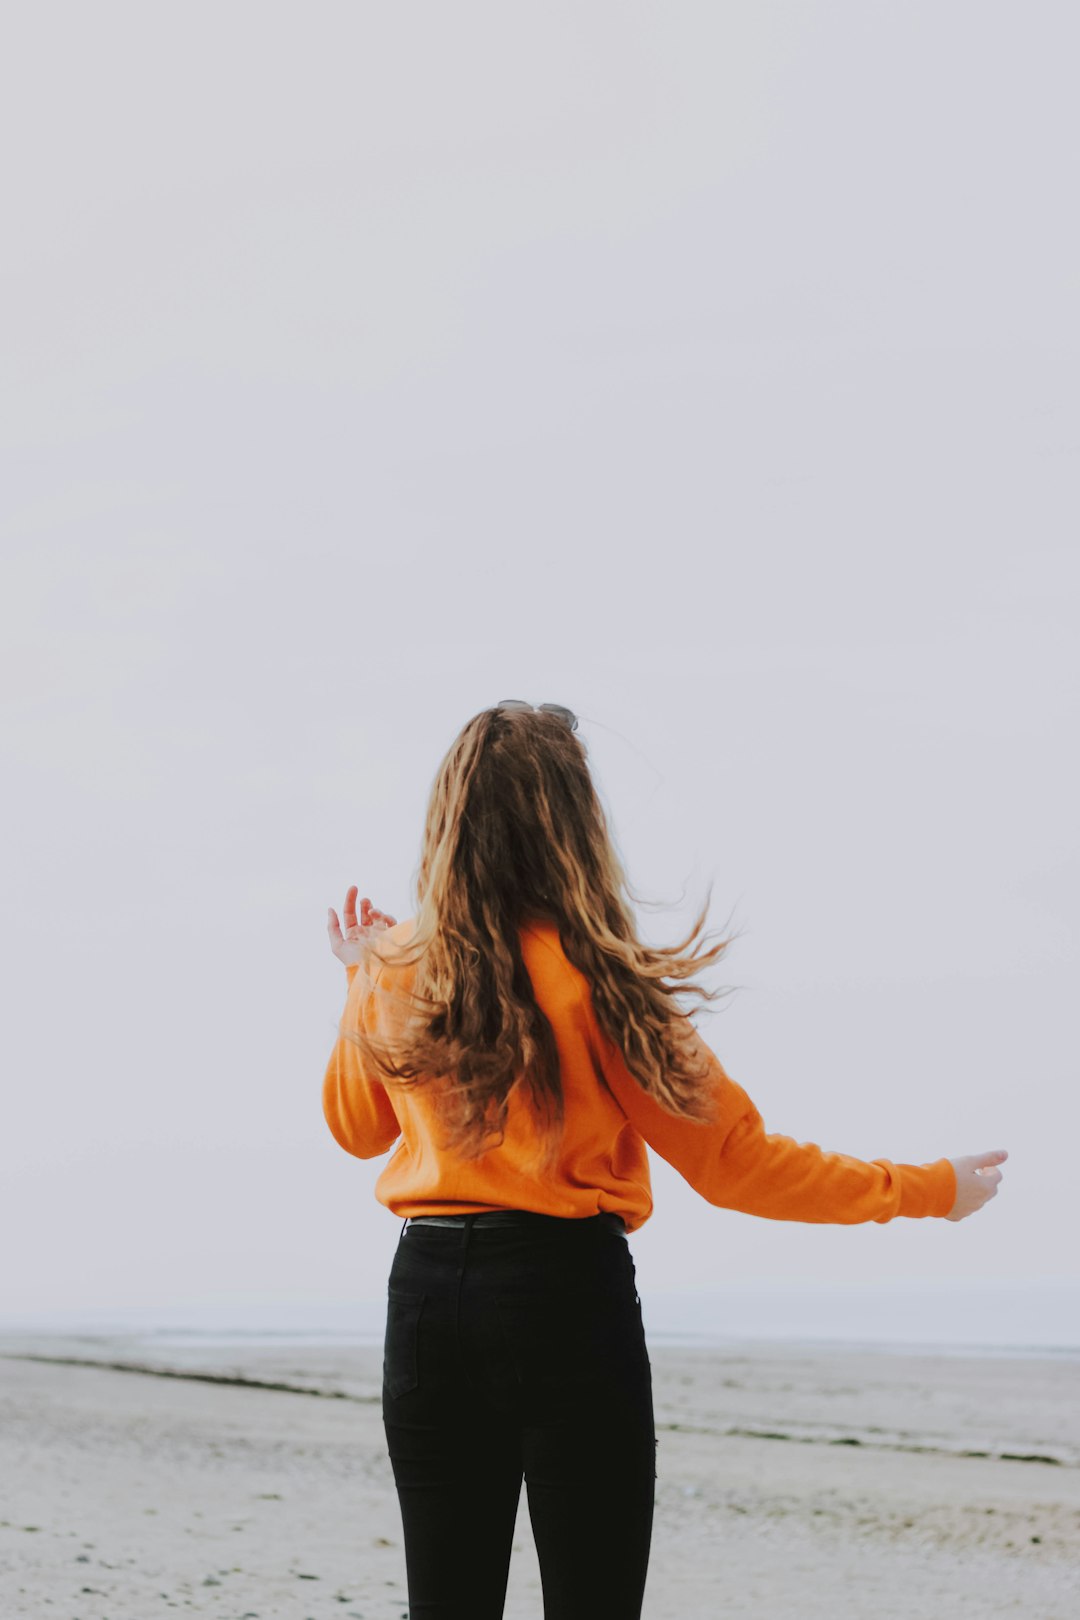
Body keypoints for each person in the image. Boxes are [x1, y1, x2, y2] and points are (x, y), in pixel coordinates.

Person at [321, 699, 1006, 1620]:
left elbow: (358, 1131)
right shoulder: (599, 979)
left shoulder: (399, 967)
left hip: (427, 1297)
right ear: (574, 824)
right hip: (563, 1300)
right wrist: (929, 1190)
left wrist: (363, 976)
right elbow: (736, 1164)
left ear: (448, 822)